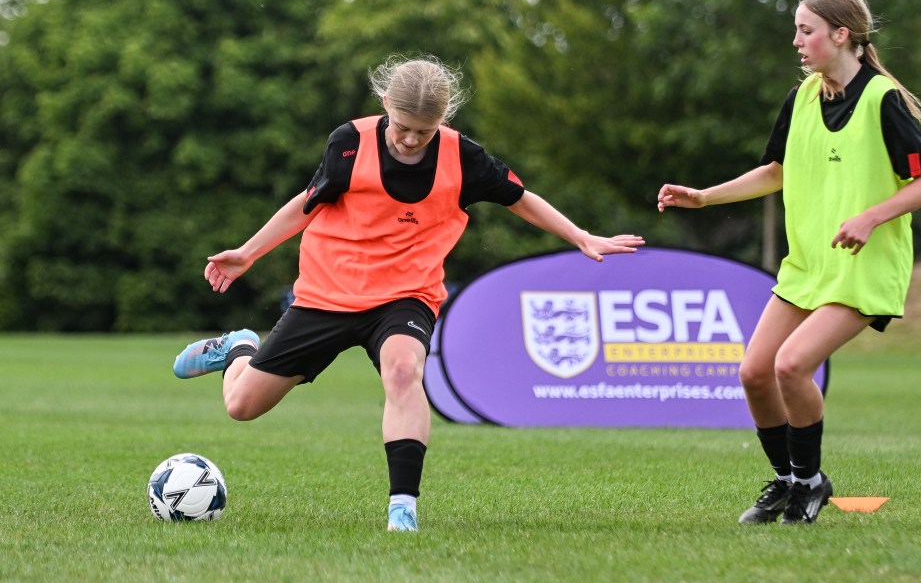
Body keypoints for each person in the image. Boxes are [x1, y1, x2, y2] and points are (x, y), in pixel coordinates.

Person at [172, 55, 645, 532]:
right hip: (328, 292)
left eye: (424, 131)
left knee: (403, 372)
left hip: (405, 295)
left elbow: (520, 199)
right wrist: (248, 253)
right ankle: (240, 348)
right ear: (385, 105)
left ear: (443, 120)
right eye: (402, 127)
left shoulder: (463, 157)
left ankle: (403, 508)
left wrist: (579, 236)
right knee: (242, 407)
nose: (411, 139)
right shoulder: (349, 143)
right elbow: (308, 203)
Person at [657, 0, 921, 524]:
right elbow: (776, 172)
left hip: (862, 269)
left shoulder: (882, 100)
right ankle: (789, 482)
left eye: (805, 30)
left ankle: (810, 484)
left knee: (790, 366)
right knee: (754, 372)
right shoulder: (803, 97)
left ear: (841, 34)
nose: (796, 41)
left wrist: (870, 216)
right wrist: (705, 196)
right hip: (809, 265)